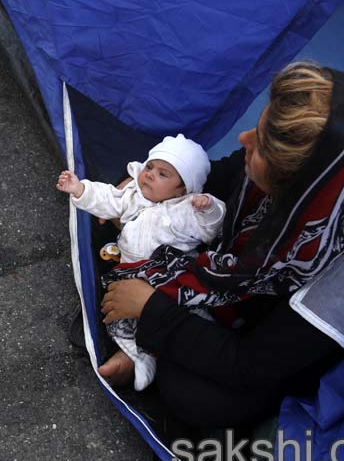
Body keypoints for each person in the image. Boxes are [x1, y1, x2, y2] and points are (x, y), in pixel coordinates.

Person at [95, 61, 344, 431]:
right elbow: (221, 177)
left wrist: (151, 309)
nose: (244, 139)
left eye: (262, 145)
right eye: (260, 126)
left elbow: (251, 365)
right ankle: (147, 344)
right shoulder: (317, 174)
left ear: (303, 190)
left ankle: (145, 346)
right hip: (239, 280)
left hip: (269, 340)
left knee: (199, 398)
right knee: (137, 224)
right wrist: (146, 189)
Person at [57, 134, 226, 390]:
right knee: (118, 317)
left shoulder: (187, 209)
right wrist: (80, 189)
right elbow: (109, 198)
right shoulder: (134, 195)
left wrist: (208, 208)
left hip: (168, 273)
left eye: (163, 174)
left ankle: (170, 345)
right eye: (149, 167)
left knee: (182, 309)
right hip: (131, 272)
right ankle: (137, 356)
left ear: (183, 189)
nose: (149, 174)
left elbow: (213, 226)